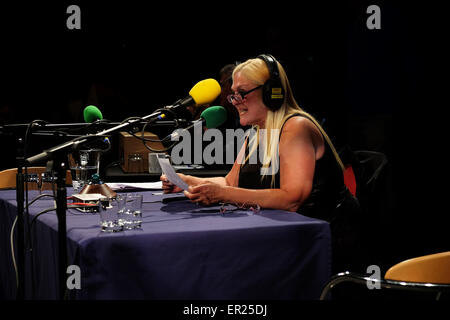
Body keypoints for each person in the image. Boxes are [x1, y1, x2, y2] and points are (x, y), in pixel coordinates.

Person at [161, 54, 362, 272]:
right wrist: (188, 181)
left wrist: (221, 194)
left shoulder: (296, 127)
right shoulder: (255, 134)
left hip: (319, 244)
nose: (235, 101)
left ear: (271, 92)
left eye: (242, 93)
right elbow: (230, 182)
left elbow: (291, 199)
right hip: (281, 237)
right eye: (233, 94)